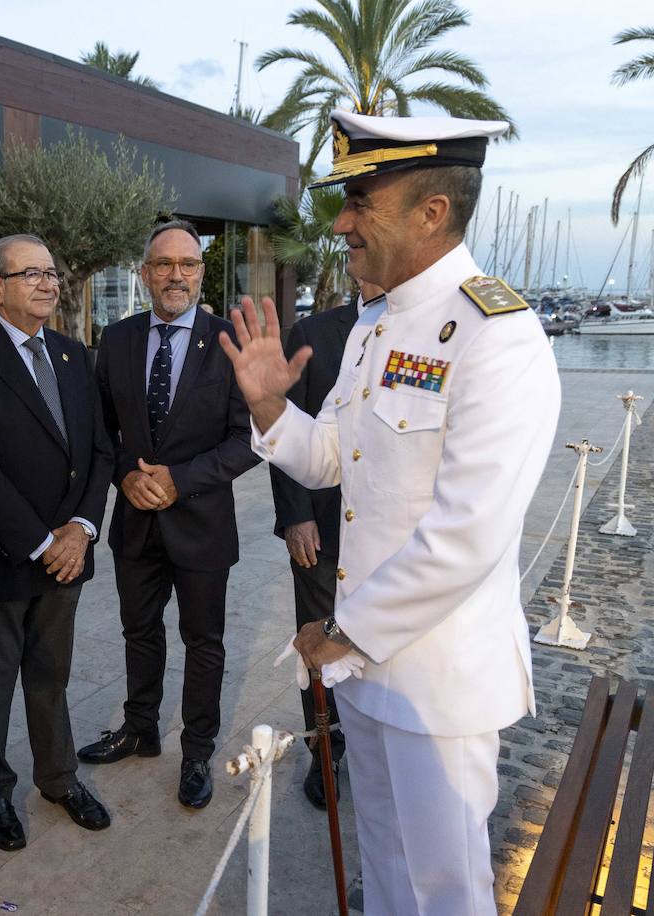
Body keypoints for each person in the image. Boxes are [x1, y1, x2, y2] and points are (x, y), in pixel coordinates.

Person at [219, 111, 560, 914]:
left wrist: (346, 633)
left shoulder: (495, 336)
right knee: (384, 863)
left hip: (436, 677)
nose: (341, 221)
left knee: (445, 887)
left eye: (360, 200)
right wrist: (271, 410)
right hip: (365, 664)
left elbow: (467, 533)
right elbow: (337, 455)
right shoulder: (377, 323)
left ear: (431, 212)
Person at [79, 219, 260, 810]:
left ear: (201, 272)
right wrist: (125, 477)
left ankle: (199, 750)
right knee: (139, 632)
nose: (175, 275)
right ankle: (141, 727)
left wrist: (179, 481)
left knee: (203, 641)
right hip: (135, 523)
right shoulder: (119, 338)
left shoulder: (229, 341)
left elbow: (248, 440)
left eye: (187, 264)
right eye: (163, 264)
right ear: (144, 274)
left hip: (202, 524)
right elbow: (101, 430)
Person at [0, 234, 114, 851]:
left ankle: (59, 778)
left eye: (52, 273)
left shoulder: (74, 357)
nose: (49, 284)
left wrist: (80, 530)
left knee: (51, 676)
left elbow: (101, 451)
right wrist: (37, 540)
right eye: (33, 275)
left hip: (67, 558)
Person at [268, 281, 384, 809]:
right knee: (318, 643)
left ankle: (378, 750)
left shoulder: (427, 335)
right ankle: (325, 755)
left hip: (390, 540)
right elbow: (298, 433)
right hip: (323, 530)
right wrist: (295, 516)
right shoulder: (314, 332)